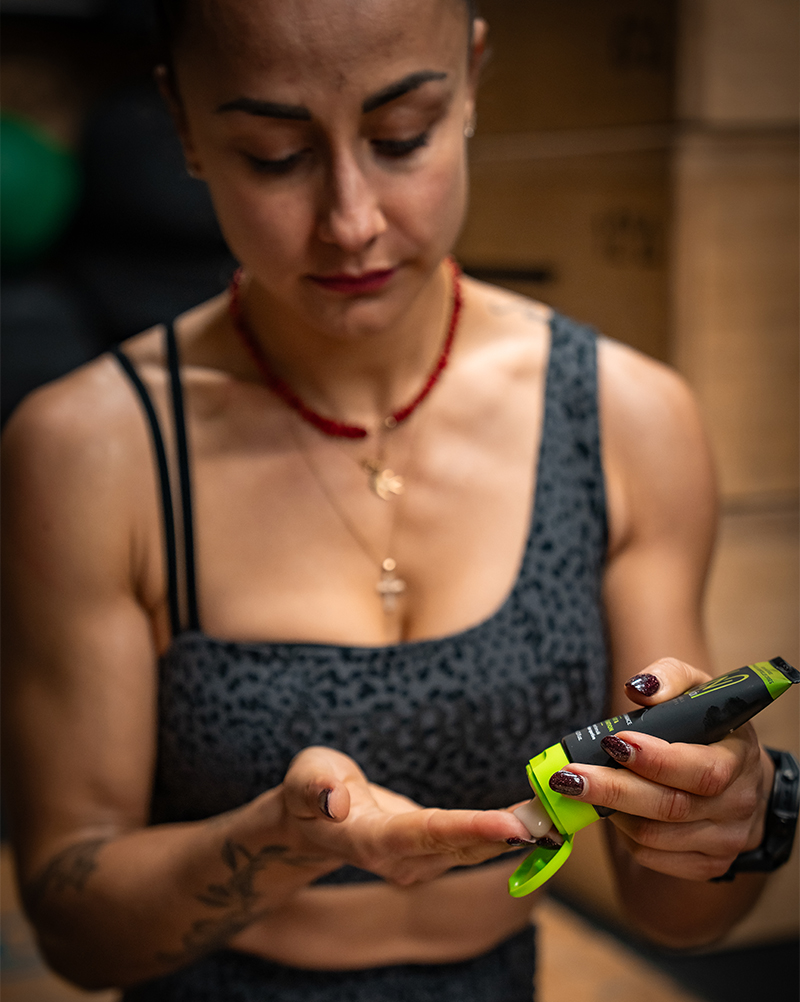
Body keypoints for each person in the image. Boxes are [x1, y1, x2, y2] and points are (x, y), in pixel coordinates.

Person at [1, 1, 789, 999]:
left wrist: (732, 815)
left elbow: (676, 915)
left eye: (401, 138)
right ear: (186, 127)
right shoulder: (94, 449)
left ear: (471, 79)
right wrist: (281, 839)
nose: (351, 222)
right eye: (275, 155)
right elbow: (77, 932)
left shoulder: (625, 420)